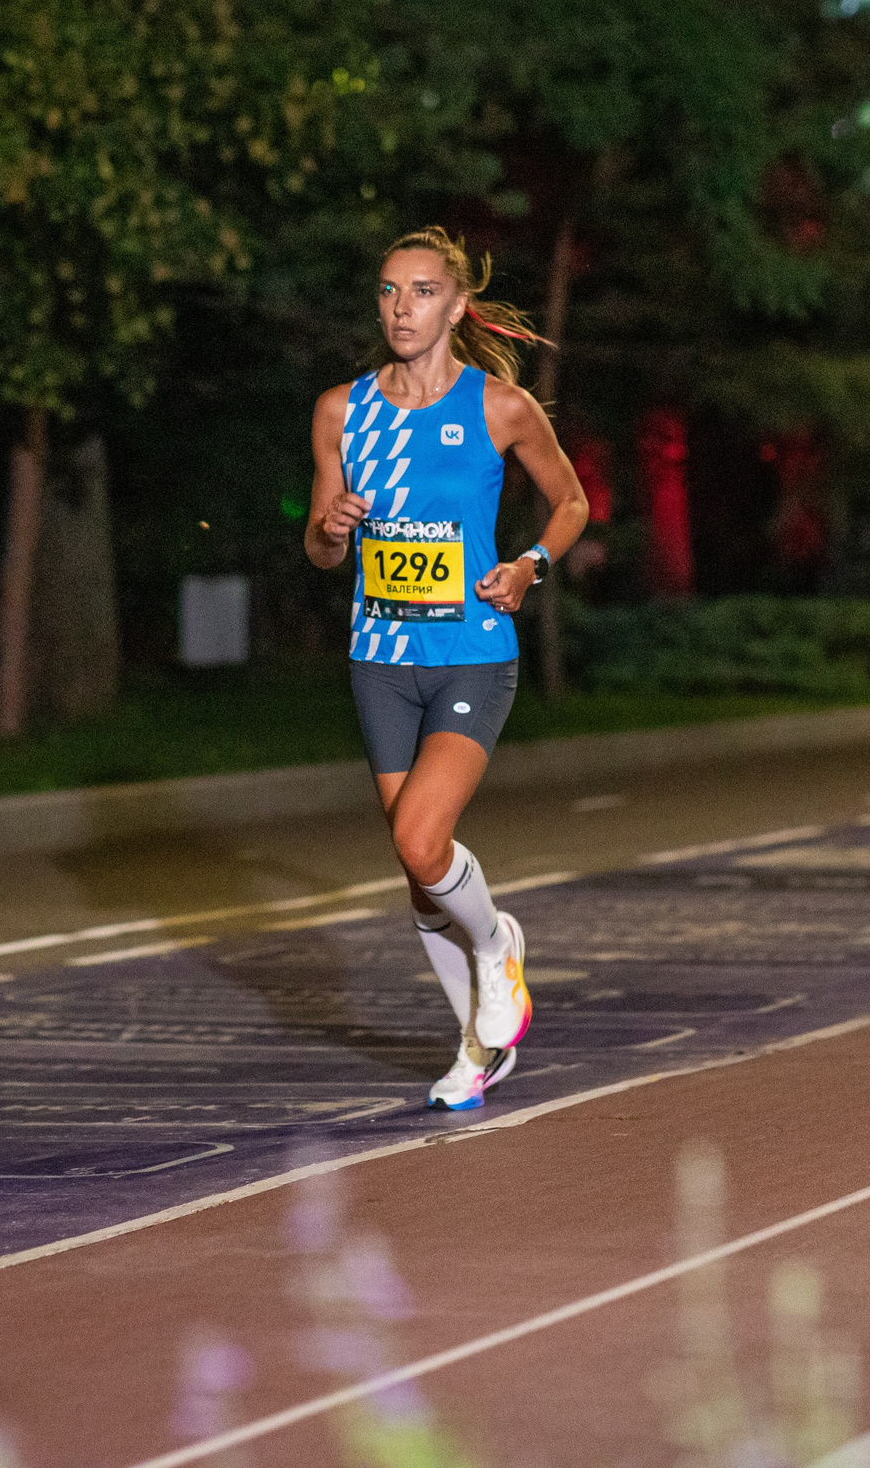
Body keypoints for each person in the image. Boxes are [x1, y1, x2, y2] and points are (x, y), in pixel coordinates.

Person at [305, 227, 591, 1111]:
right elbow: (318, 548)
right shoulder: (343, 411)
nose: (400, 308)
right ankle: (476, 1045)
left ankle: (499, 942)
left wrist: (527, 568)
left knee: (422, 842)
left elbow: (573, 501)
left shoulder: (500, 408)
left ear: (457, 306)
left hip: (472, 650)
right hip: (381, 659)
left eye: (421, 292)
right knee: (418, 871)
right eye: (388, 291)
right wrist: (332, 529)